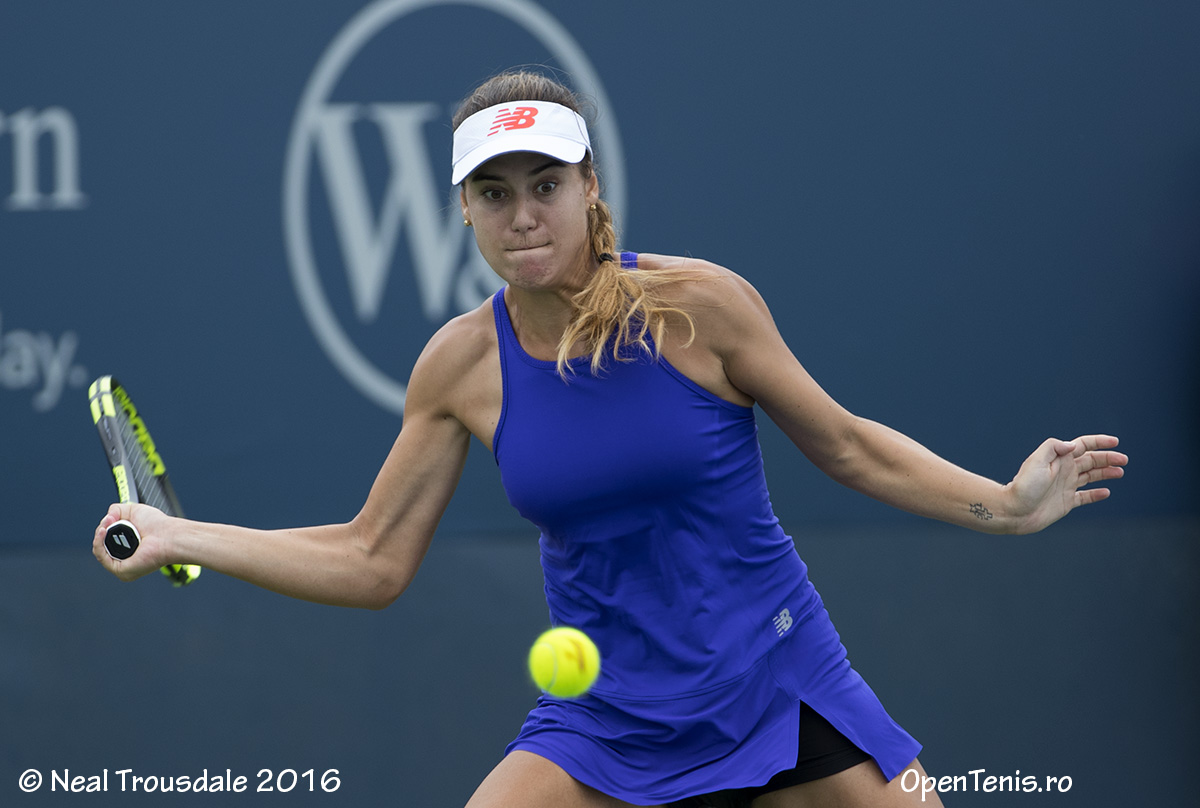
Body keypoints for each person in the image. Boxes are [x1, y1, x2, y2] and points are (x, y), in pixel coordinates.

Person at [94, 70, 1127, 808]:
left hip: (776, 680)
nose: (523, 216)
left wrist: (1005, 506)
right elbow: (372, 559)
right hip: (606, 716)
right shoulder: (460, 366)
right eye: (494, 194)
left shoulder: (702, 307)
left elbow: (848, 446)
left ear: (590, 186)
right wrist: (183, 537)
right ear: (463, 211)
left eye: (546, 185)